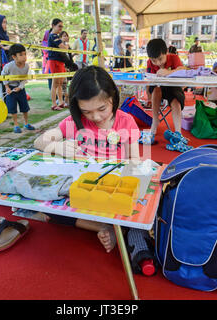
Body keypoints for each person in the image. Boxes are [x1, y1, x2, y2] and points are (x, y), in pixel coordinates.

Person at [34, 66, 141, 252]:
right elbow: (39, 141)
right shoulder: (75, 122)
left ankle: (111, 224)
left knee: (134, 209)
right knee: (49, 206)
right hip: (82, 187)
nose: (96, 117)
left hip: (111, 187)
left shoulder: (126, 122)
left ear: (113, 98)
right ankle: (103, 226)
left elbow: (134, 160)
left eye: (102, 108)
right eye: (86, 111)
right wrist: (57, 147)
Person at [143, 38, 191, 152]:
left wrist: (169, 72)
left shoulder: (173, 57)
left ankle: (178, 133)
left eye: (160, 59)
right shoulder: (149, 63)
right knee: (156, 90)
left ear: (166, 53)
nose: (158, 63)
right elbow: (148, 79)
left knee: (175, 101)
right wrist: (148, 96)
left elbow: (183, 69)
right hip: (158, 89)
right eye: (154, 61)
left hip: (173, 88)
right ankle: (154, 122)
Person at [1, 44, 35, 133]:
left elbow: (24, 79)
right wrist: (7, 87)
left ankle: (26, 123)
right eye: (21, 55)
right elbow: (3, 76)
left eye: (25, 54)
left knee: (25, 107)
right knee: (12, 108)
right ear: (14, 57)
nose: (24, 57)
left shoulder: (26, 66)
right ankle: (16, 125)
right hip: (11, 90)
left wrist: (20, 87)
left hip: (20, 89)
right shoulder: (8, 66)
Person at [47, 18, 69, 111]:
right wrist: (66, 46)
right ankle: (53, 103)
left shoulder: (56, 36)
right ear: (53, 26)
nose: (61, 28)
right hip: (54, 61)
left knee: (59, 83)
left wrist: (65, 46)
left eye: (62, 27)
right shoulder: (53, 36)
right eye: (59, 26)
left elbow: (65, 48)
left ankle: (60, 102)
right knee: (55, 83)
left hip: (60, 62)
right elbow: (64, 48)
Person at [59, 30, 78, 107]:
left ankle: (68, 101)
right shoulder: (59, 47)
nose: (66, 37)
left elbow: (69, 57)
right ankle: (62, 101)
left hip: (70, 67)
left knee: (71, 84)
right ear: (60, 37)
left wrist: (73, 54)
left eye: (66, 36)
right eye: (64, 36)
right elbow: (62, 58)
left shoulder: (68, 46)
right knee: (63, 85)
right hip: (63, 67)